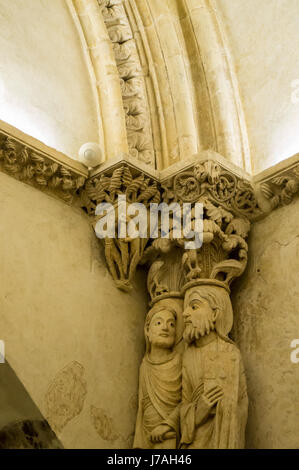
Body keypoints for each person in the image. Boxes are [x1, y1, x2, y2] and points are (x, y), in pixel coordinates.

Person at [180, 283, 248, 449]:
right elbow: (183, 405)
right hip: (196, 441)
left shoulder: (230, 353)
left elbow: (242, 403)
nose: (185, 314)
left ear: (215, 313)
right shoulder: (188, 356)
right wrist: (197, 412)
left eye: (194, 306)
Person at [133, 305, 182, 449]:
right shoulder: (144, 365)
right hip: (147, 435)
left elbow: (188, 401)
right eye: (159, 323)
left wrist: (167, 425)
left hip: (169, 434)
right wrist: (138, 443)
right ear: (147, 331)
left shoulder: (180, 362)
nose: (166, 328)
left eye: (171, 324)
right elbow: (141, 409)